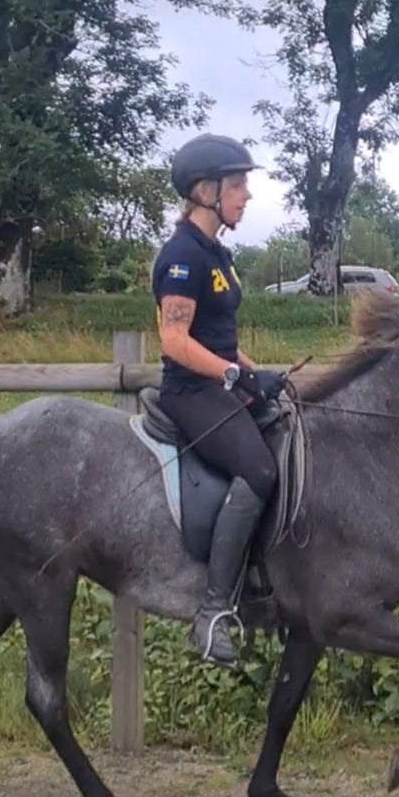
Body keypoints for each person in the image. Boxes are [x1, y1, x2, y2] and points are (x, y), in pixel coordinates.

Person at [151, 133, 288, 666]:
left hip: (219, 382)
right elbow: (175, 341)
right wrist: (235, 376)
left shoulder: (217, 253)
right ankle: (211, 613)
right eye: (237, 185)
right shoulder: (182, 254)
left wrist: (258, 374)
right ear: (205, 191)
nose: (246, 195)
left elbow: (219, 340)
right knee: (258, 471)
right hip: (190, 392)